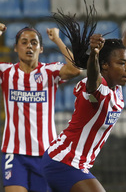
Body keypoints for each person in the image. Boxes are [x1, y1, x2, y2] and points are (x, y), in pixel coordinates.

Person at [41, 0, 126, 192]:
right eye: (122, 63)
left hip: (76, 164)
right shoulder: (95, 88)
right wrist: (94, 56)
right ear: (105, 66)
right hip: (63, 161)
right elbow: (93, 79)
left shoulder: (114, 85)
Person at [0, 23, 81, 192]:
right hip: (14, 153)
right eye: (24, 42)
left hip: (45, 154)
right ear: (15, 48)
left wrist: (57, 39)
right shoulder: (6, 72)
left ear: (41, 49)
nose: (29, 45)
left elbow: (75, 70)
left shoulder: (50, 71)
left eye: (34, 42)